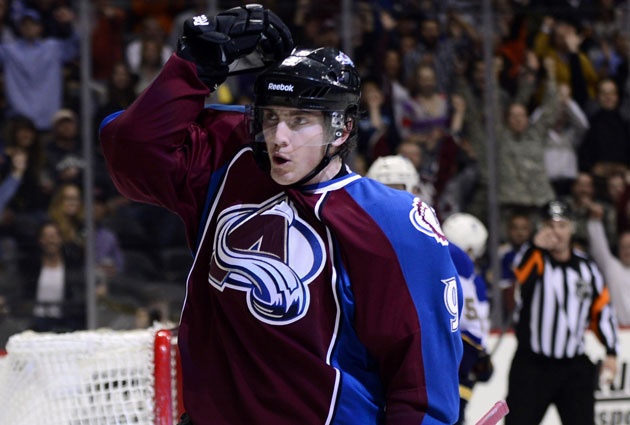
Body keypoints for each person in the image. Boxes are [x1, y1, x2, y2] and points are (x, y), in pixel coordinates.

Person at [100, 5, 463, 425]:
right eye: (270, 118)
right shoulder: (231, 162)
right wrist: (194, 67)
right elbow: (129, 149)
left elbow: (421, 383)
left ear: (341, 130)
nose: (279, 138)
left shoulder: (391, 222)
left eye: (300, 119)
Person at [505, 200, 619, 425]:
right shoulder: (533, 259)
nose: (556, 231)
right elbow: (519, 289)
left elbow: (602, 310)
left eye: (562, 225)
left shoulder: (587, 268)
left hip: (572, 366)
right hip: (533, 365)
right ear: (541, 228)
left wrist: (612, 350)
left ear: (572, 228)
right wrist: (536, 247)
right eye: (550, 225)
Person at [441, 213, 492, 425]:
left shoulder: (436, 258)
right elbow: (475, 325)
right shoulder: (469, 274)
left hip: (447, 353)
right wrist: (481, 354)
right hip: (462, 356)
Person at [587, 203, 630, 325]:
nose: (627, 251)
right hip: (619, 331)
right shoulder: (613, 268)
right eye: (624, 247)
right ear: (618, 249)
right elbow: (598, 246)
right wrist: (595, 221)